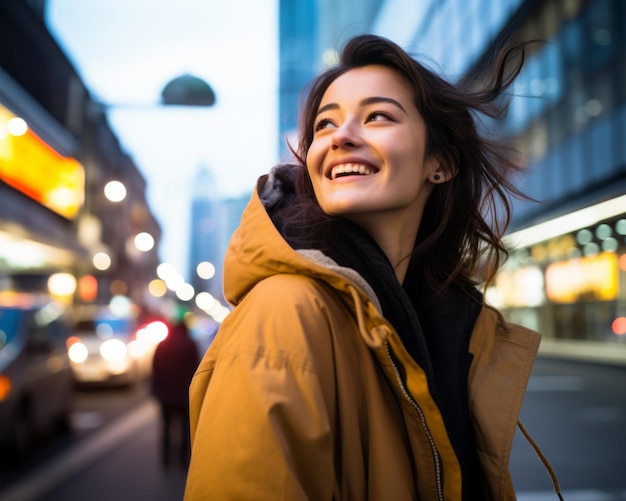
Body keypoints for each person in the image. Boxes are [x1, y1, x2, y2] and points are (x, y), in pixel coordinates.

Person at [184, 34, 562, 500]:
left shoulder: (436, 325)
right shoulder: (285, 313)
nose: (340, 136)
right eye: (324, 124)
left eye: (378, 116)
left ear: (440, 163)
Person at [151, 318, 199, 469]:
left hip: (166, 394)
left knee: (166, 427)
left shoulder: (163, 344)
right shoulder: (190, 344)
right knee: (185, 428)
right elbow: (196, 370)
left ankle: (166, 460)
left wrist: (156, 391)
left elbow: (155, 369)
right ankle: (183, 460)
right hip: (184, 394)